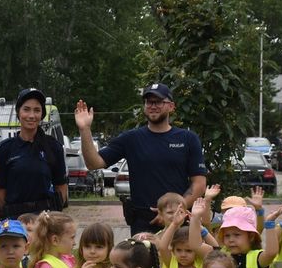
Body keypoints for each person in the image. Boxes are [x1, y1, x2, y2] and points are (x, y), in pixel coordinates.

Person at [74, 83, 207, 234]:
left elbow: (199, 184)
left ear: (171, 106)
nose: (153, 106)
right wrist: (84, 129)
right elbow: (93, 163)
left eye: (158, 102)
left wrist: (175, 212)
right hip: (142, 224)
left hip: (179, 222)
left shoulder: (188, 138)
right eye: (149, 102)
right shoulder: (131, 139)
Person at [0, 88, 68, 218]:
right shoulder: (4, 149)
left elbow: (61, 189)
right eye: (26, 109)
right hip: (15, 222)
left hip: (44, 222)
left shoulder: (53, 147)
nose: (31, 115)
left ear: (42, 114)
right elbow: (0, 193)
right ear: (18, 112)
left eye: (37, 110)